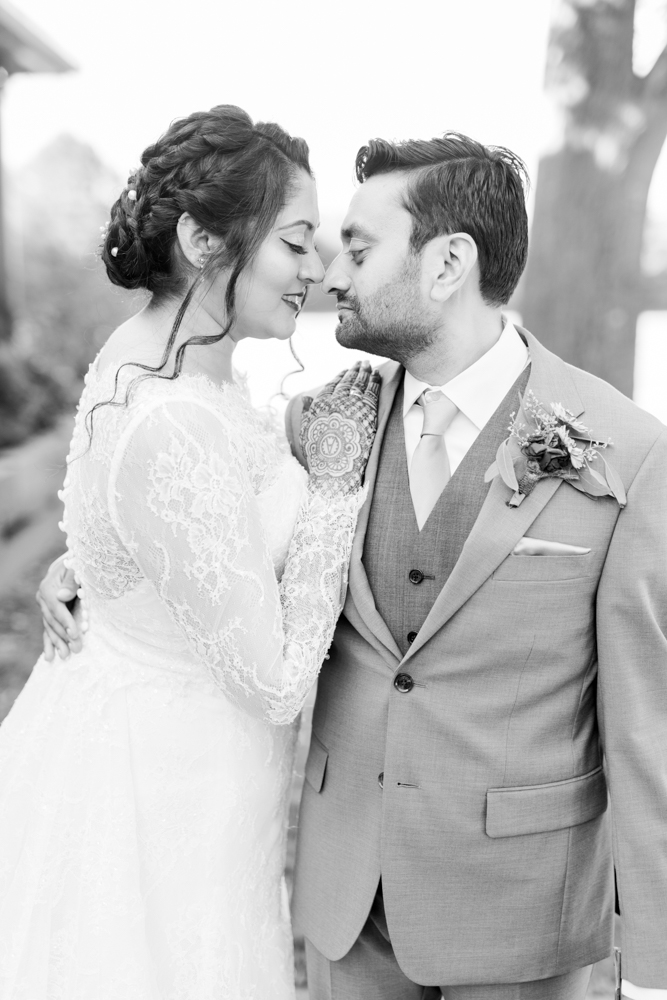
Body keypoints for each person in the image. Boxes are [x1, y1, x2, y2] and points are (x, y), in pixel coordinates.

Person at [0, 104, 379, 999]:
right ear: (205, 241)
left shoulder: (171, 362)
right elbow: (277, 682)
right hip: (161, 806)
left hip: (175, 773)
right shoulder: (172, 413)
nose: (318, 268)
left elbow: (163, 525)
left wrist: (96, 569)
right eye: (295, 243)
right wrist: (330, 492)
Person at [283, 135, 667, 999]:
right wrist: (93, 568)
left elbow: (646, 729)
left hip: (521, 915)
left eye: (357, 247)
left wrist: (651, 970)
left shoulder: (627, 452)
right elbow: (195, 485)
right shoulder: (325, 421)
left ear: (449, 261)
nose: (331, 276)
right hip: (350, 905)